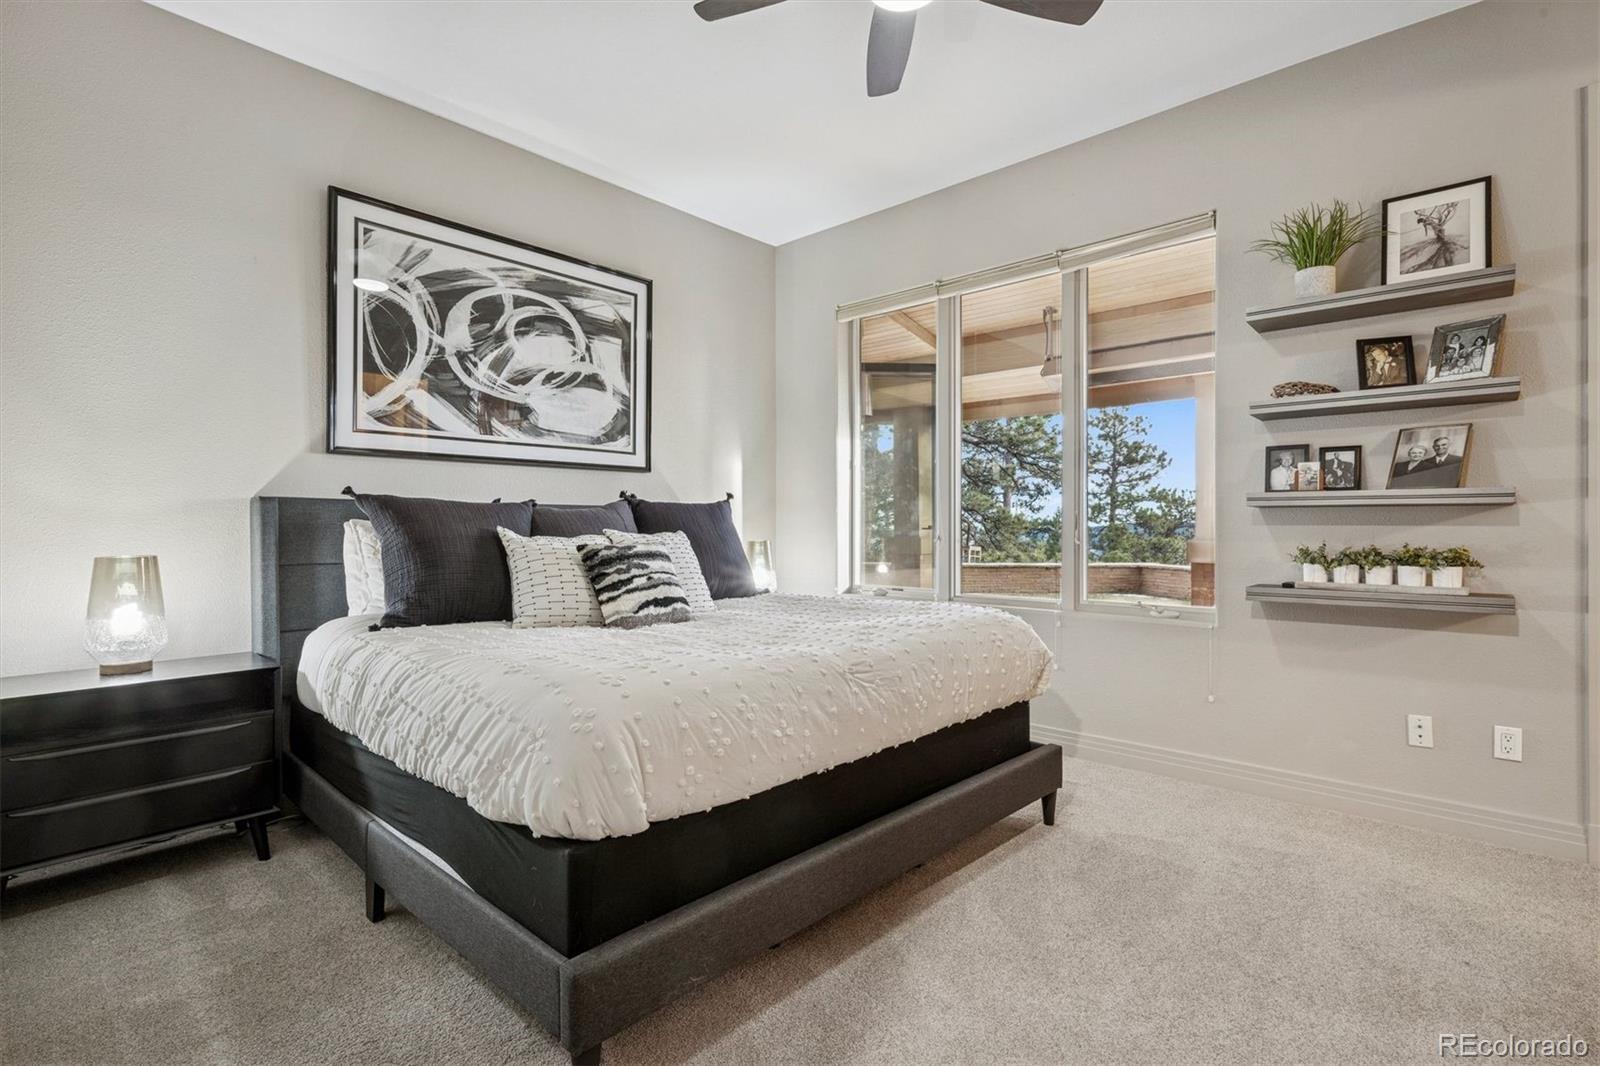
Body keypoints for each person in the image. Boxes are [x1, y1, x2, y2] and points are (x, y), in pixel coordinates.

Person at [1389, 435, 1463, 488]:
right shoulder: (1427, 461)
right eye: (1437, 445)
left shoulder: (1458, 460)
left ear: (1449, 445)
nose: (1440, 447)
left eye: (1444, 445)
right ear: (1433, 447)